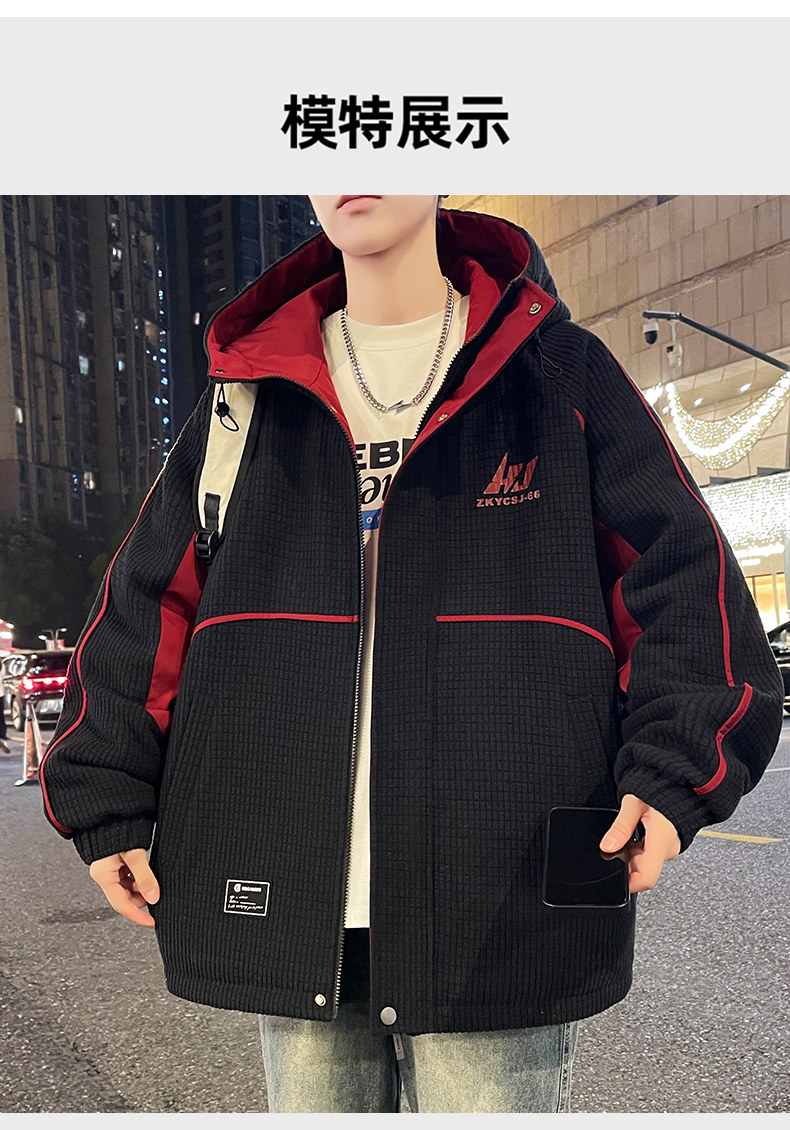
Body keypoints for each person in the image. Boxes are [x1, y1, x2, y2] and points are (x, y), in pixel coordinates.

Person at [39, 196, 783, 1114]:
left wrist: (675, 772)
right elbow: (149, 603)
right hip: (287, 881)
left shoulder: (559, 374)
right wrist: (106, 796)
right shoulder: (245, 400)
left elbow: (683, 580)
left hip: (503, 885)